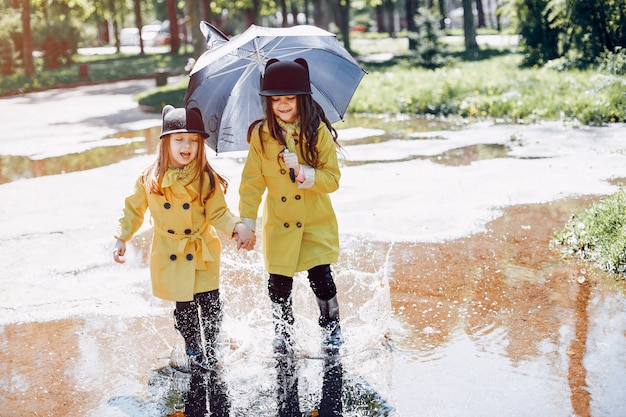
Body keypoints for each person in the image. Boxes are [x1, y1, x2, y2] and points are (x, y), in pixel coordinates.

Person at [113, 105, 255, 375]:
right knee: (185, 305)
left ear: (201, 145)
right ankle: (192, 346)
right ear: (165, 143)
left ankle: (212, 346)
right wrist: (122, 236)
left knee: (210, 301)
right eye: (179, 139)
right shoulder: (150, 178)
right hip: (170, 251)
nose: (186, 145)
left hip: (201, 250)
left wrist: (236, 227)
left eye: (192, 140)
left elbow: (218, 212)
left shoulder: (205, 178)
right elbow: (133, 210)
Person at [239, 58, 344, 356]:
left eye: (289, 98)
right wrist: (247, 221)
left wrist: (304, 171)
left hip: (315, 221)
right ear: (268, 102)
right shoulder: (261, 136)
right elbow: (251, 183)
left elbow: (332, 179)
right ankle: (283, 333)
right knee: (278, 284)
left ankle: (332, 329)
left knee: (321, 279)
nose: (283, 105)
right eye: (276, 99)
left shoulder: (317, 132)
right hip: (280, 223)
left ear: (302, 99)